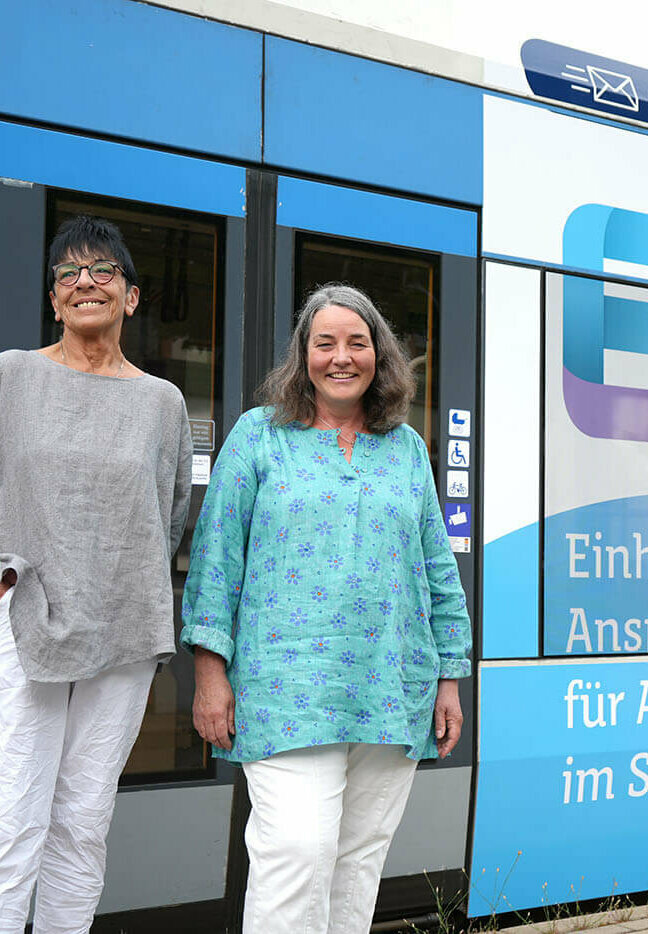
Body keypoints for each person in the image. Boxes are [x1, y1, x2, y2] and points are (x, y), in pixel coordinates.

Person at [180, 283, 472, 934]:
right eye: (325, 343)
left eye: (357, 343)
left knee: (357, 864)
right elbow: (216, 557)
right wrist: (209, 671)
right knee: (296, 853)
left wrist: (449, 677)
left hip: (391, 689)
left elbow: (435, 569)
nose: (341, 357)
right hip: (284, 693)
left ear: (379, 356)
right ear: (302, 356)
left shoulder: (402, 450)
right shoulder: (259, 437)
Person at [0, 216, 192, 932]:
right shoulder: (11, 375)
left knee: (83, 818)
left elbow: (169, 511)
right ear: (53, 300)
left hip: (125, 624)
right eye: (68, 273)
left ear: (132, 297)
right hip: (26, 621)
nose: (85, 282)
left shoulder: (162, 403)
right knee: (12, 814)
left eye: (102, 270)